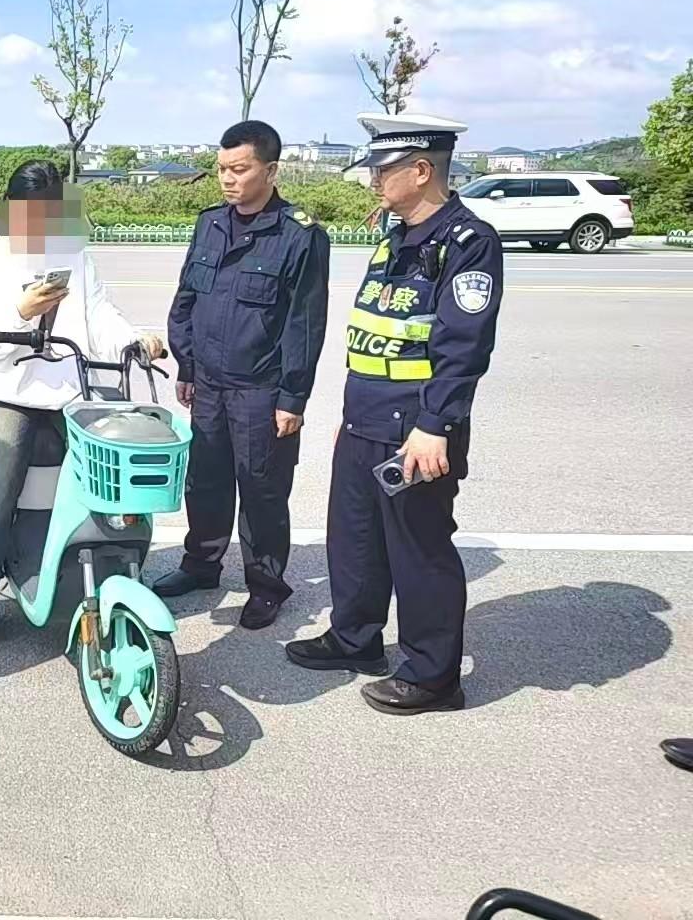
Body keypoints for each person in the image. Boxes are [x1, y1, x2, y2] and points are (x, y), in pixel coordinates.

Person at [286, 112, 502, 715]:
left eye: (384, 171)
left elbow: (464, 345)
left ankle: (433, 677)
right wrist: (353, 413)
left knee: (419, 551)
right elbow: (378, 332)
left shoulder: (467, 241)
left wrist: (436, 425)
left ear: (422, 170)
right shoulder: (395, 235)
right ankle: (355, 639)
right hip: (365, 419)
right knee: (354, 540)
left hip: (415, 429)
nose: (375, 181)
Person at [0, 160, 164, 650]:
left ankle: (107, 580)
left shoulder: (76, 255)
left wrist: (133, 340)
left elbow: (100, 314)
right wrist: (20, 312)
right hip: (10, 394)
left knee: (111, 484)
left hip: (71, 393)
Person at [157, 121, 330, 630]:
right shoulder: (210, 224)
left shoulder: (299, 236)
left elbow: (304, 324)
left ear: (270, 171)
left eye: (239, 169)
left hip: (261, 390)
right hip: (208, 384)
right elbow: (186, 299)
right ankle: (201, 564)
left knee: (262, 490)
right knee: (204, 480)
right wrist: (187, 364)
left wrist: (292, 397)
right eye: (221, 169)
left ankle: (267, 585)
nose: (227, 179)